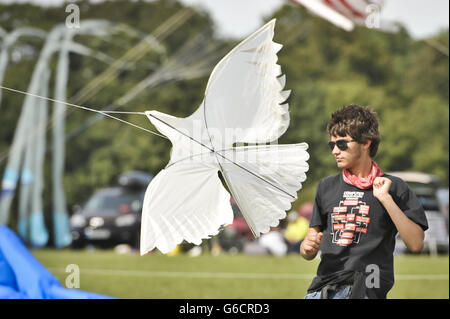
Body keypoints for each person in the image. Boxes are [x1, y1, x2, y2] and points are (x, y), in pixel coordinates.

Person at [300, 104, 428, 299]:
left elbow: (416, 244)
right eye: (332, 145)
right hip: (323, 290)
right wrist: (307, 247)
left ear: (366, 142)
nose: (335, 150)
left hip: (366, 290)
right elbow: (309, 246)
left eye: (342, 144)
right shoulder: (325, 186)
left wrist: (386, 199)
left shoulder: (395, 187)